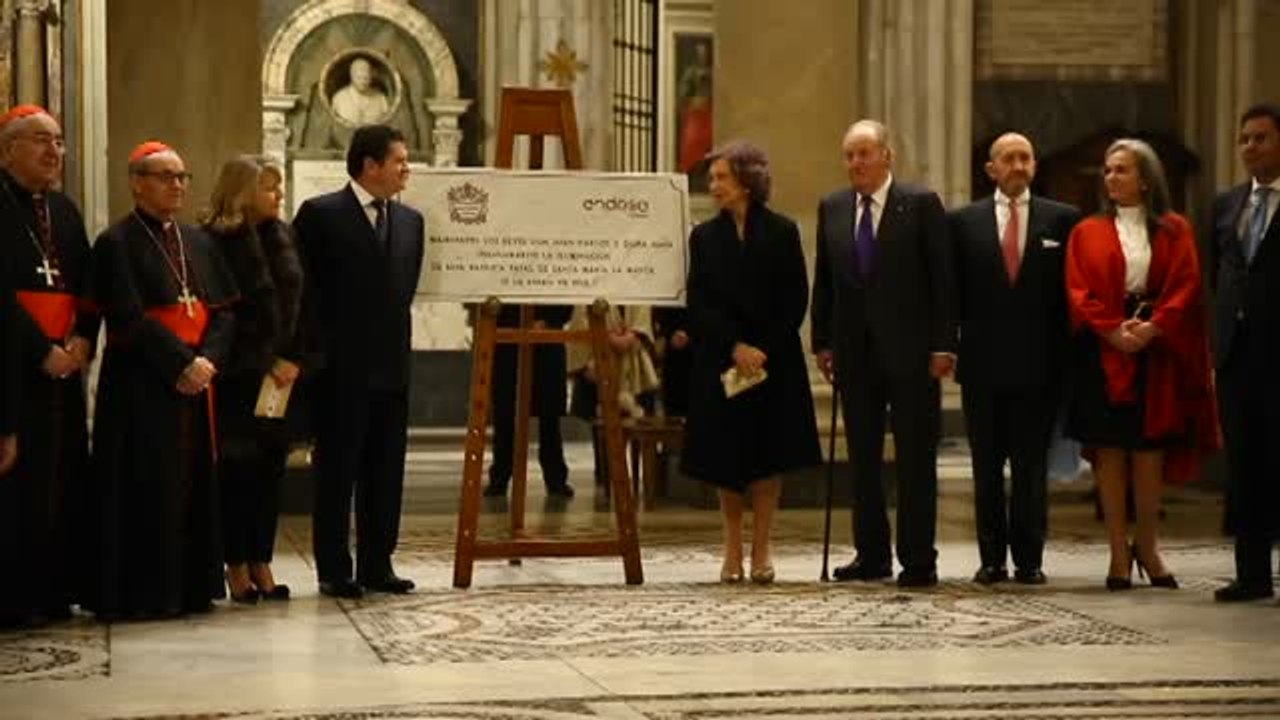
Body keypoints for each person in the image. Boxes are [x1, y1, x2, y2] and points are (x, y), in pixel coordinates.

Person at [87, 141, 239, 619]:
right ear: (137, 183)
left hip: (197, 380)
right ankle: (148, 592)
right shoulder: (115, 243)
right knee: (147, 484)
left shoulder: (199, 241)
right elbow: (127, 317)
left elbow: (224, 312)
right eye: (165, 176)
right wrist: (180, 364)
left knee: (192, 483)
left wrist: (207, 361)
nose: (177, 185)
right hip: (142, 384)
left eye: (182, 177)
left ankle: (191, 588)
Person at [1064, 138, 1219, 591]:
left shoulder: (1175, 229)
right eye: (1108, 169)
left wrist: (1153, 328)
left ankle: (1148, 546)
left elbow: (1186, 285)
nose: (1110, 177)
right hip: (1103, 349)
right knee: (1109, 450)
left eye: (1121, 169)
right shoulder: (1086, 231)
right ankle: (1118, 551)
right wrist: (1113, 330)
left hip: (1156, 350)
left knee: (1149, 450)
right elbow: (1078, 290)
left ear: (1146, 179)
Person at [811, 120, 958, 588]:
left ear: (887, 156)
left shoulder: (920, 203)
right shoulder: (834, 207)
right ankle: (871, 554)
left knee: (915, 458)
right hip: (855, 355)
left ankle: (918, 558)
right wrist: (823, 342)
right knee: (863, 459)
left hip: (913, 355)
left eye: (864, 153)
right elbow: (825, 282)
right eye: (849, 155)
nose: (856, 163)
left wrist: (944, 344)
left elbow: (942, 280)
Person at [681, 140, 820, 585]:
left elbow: (795, 297)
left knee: (767, 456)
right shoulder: (704, 237)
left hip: (772, 362)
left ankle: (762, 547)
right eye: (712, 178)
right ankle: (732, 549)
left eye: (721, 177)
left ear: (746, 181)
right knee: (726, 458)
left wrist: (762, 348)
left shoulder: (782, 231)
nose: (713, 185)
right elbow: (699, 302)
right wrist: (735, 346)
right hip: (723, 361)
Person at [294, 124, 424, 599]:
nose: (407, 168)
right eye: (399, 160)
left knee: (386, 472)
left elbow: (402, 292)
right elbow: (304, 294)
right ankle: (334, 568)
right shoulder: (321, 215)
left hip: (393, 368)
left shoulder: (411, 221)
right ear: (370, 165)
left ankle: (377, 564)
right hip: (339, 369)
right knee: (337, 472)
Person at [948, 132, 1082, 585]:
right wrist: (946, 346)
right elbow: (951, 293)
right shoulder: (962, 222)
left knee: (1030, 468)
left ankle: (1029, 560)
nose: (1019, 165)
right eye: (1009, 158)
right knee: (986, 467)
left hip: (1040, 367)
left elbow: (1069, 295)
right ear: (991, 169)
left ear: (1035, 166)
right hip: (982, 366)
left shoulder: (1062, 219)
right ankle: (991, 559)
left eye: (1026, 157)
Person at [0, 105, 98, 627]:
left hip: (64, 366)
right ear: (8, 149)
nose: (53, 150)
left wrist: (83, 339)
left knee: (61, 475)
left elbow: (88, 286)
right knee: (16, 481)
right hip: (12, 367)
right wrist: (41, 349)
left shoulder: (64, 210)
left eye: (58, 141)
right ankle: (14, 596)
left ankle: (56, 589)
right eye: (41, 140)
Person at [202, 156, 305, 604]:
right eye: (269, 187)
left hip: (280, 378)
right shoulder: (216, 241)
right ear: (243, 192)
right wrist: (266, 360)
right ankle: (236, 564)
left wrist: (293, 358)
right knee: (237, 474)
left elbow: (301, 305)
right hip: (238, 376)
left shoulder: (283, 236)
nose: (278, 195)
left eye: (279, 187)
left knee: (270, 472)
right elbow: (224, 312)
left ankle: (262, 559)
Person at [1210, 104, 1280, 603]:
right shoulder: (1226, 204)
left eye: (1260, 138)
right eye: (1244, 139)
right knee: (1245, 466)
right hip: (1236, 357)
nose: (1250, 147)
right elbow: (1219, 276)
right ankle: (1251, 574)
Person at [484, 304, 576, 498]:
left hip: (548, 343)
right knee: (505, 415)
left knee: (550, 419)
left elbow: (566, 302)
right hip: (509, 343)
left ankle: (556, 478)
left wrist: (549, 322)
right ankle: (500, 476)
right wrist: (518, 324)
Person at [567, 304, 660, 485]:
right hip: (598, 360)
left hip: (635, 365)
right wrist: (607, 336)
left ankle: (642, 476)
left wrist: (631, 336)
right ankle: (605, 474)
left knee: (639, 421)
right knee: (603, 425)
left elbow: (643, 320)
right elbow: (580, 321)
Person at [330, 57, 391, 126]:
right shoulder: (339, 98)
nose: (363, 82)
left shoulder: (381, 98)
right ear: (352, 77)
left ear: (371, 78)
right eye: (359, 78)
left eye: (366, 78)